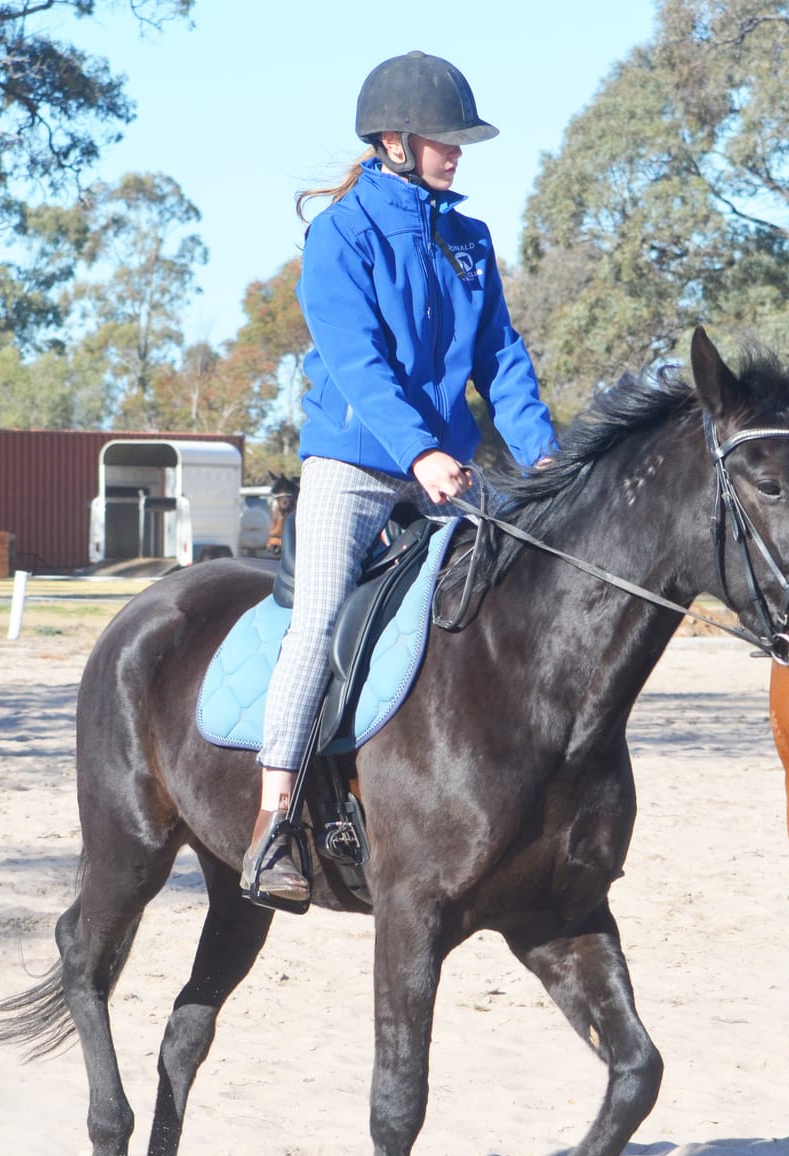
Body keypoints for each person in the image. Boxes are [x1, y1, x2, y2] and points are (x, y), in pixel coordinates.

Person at [243, 51, 558, 907]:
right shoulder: (340, 234)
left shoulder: (469, 239)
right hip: (357, 464)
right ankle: (275, 823)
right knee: (316, 627)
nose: (457, 153)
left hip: (446, 472)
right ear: (394, 140)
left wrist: (543, 456)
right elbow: (358, 361)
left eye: (461, 140)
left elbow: (501, 357)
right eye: (443, 140)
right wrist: (419, 449)